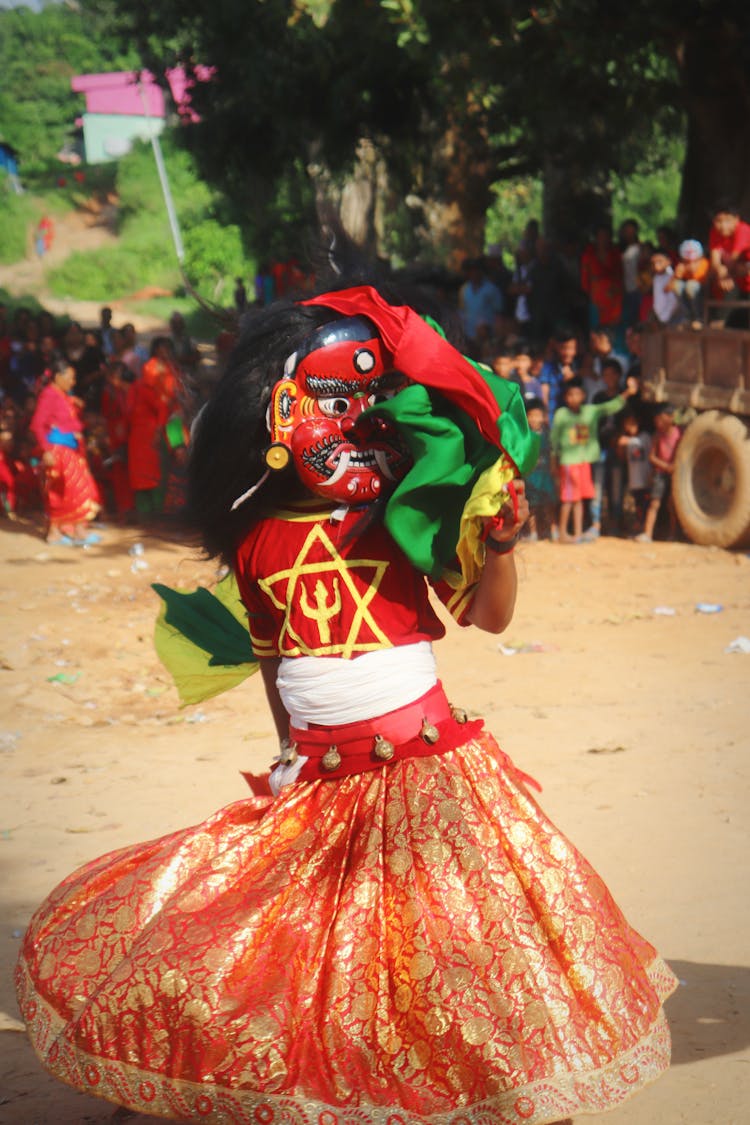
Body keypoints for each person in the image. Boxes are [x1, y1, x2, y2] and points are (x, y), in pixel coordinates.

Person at [16, 279, 676, 1124]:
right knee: (312, 965)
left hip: (431, 777)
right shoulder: (254, 539)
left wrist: (501, 538)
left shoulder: (402, 517)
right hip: (320, 782)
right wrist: (290, 756)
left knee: (447, 960)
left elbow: (492, 614)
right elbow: (271, 664)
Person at [550, 374, 638, 543]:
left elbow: (611, 406)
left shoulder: (591, 411)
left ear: (583, 396)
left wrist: (628, 393)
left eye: (577, 394)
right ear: (566, 398)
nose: (574, 398)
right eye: (570, 395)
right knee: (568, 499)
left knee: (580, 499)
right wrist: (554, 460)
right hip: (568, 462)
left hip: (584, 462)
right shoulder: (561, 414)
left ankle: (576, 533)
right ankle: (562, 533)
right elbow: (554, 439)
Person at [29, 356, 101, 545]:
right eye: (70, 377)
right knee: (74, 489)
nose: (73, 381)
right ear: (58, 377)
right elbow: (37, 424)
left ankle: (71, 529)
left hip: (69, 450)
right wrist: (46, 451)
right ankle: (59, 532)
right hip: (58, 451)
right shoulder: (49, 395)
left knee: (71, 490)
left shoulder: (61, 395)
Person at [127, 336, 181, 518]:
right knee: (158, 466)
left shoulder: (174, 368)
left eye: (168, 347)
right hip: (160, 422)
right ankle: (155, 511)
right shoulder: (150, 368)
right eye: (161, 348)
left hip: (173, 418)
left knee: (176, 459)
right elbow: (158, 401)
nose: (165, 351)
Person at [636, 402, 682, 543]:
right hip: (660, 473)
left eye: (661, 419)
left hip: (675, 472)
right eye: (656, 420)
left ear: (671, 417)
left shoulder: (680, 433)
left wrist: (673, 466)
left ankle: (673, 534)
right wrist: (666, 466)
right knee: (654, 503)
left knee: (672, 505)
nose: (658, 423)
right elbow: (652, 457)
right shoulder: (657, 435)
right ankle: (648, 533)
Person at [523, 396, 557, 540]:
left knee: (549, 503)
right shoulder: (525, 436)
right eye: (532, 415)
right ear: (526, 417)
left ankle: (553, 530)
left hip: (545, 473)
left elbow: (552, 452)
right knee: (532, 506)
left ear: (544, 417)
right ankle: (533, 532)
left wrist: (554, 470)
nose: (535, 419)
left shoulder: (548, 434)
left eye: (538, 415)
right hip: (531, 476)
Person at [617, 410, 652, 534]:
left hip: (645, 479)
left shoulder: (645, 437)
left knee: (645, 506)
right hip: (634, 481)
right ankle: (638, 528)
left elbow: (642, 445)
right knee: (638, 506)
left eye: (632, 424)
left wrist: (626, 441)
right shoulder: (628, 441)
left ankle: (644, 529)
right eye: (627, 424)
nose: (629, 427)